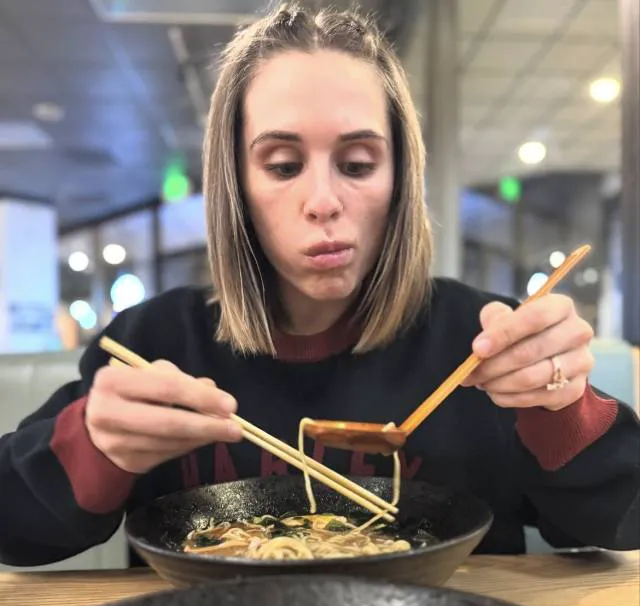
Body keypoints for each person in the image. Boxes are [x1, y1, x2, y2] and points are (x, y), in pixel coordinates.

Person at [0, 3, 638, 568]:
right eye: (283, 166)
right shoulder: (155, 343)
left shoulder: (483, 344)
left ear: (400, 178)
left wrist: (562, 409)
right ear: (236, 186)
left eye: (358, 164)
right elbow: (13, 527)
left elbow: (621, 520)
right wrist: (96, 445)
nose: (324, 201)